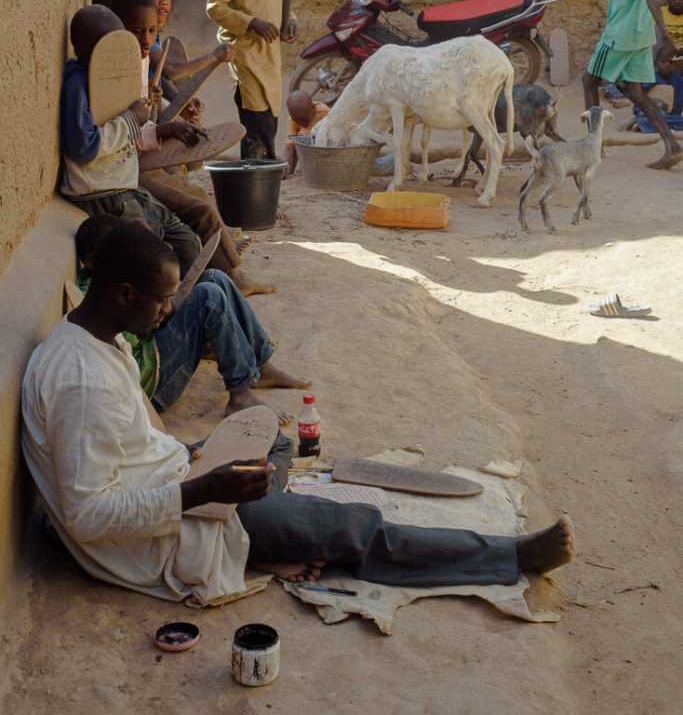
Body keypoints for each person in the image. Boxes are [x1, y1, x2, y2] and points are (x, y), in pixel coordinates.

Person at [22, 222, 574, 607]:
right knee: (350, 527)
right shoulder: (81, 383)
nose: (169, 310)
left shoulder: (96, 335)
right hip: (162, 536)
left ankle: (274, 536)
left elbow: (125, 448)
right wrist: (202, 488)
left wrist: (190, 456)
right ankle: (510, 557)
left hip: (175, 484)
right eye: (161, 300)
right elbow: (88, 518)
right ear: (122, 293)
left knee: (274, 445)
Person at [110, 0, 276, 297]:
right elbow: (117, 134)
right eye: (136, 31)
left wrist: (159, 110)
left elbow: (143, 111)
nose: (146, 39)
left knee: (198, 192)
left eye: (150, 31)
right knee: (199, 208)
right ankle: (233, 272)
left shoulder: (139, 62)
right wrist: (158, 130)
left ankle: (229, 259)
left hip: (140, 156)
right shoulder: (112, 75)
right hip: (126, 169)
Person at [74, 216, 308, 422]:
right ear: (92, 260)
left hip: (152, 351)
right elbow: (135, 334)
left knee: (214, 277)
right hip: (152, 384)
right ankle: (240, 394)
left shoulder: (107, 277)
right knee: (208, 297)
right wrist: (171, 311)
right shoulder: (101, 294)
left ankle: (261, 364)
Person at [59, 4, 202, 276]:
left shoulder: (113, 77)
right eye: (105, 47)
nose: (113, 54)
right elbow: (82, 147)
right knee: (152, 264)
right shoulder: (79, 84)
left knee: (187, 243)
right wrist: (130, 119)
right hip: (103, 195)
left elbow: (130, 127)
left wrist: (152, 122)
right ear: (81, 49)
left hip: (126, 186)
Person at [583, 0, 683, 169]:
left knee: (589, 81)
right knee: (636, 92)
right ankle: (672, 146)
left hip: (620, 34)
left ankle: (593, 145)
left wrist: (665, 35)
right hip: (639, 34)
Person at [206, 0, 298, 160]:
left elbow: (283, 3)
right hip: (244, 54)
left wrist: (290, 21)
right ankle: (257, 175)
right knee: (255, 122)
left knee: (269, 117)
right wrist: (253, 22)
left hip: (270, 57)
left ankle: (264, 174)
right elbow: (214, 7)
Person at [126, 0, 236, 83]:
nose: (164, 1)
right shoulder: (144, 39)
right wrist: (214, 56)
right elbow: (170, 70)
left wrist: (180, 97)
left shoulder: (153, 35)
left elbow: (158, 75)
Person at [632, 48, 683, 132]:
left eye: (670, 62)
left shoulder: (677, 79)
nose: (667, 65)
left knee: (667, 120)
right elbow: (637, 103)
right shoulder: (651, 79)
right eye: (663, 61)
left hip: (673, 116)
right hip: (653, 114)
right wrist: (653, 102)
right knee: (647, 119)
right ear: (656, 63)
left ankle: (644, 126)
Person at [284, 90, 330, 175]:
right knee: (295, 140)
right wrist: (286, 165)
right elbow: (289, 144)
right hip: (307, 146)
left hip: (325, 146)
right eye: (299, 122)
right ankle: (290, 171)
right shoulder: (292, 118)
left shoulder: (324, 112)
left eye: (305, 120)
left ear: (313, 107)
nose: (303, 124)